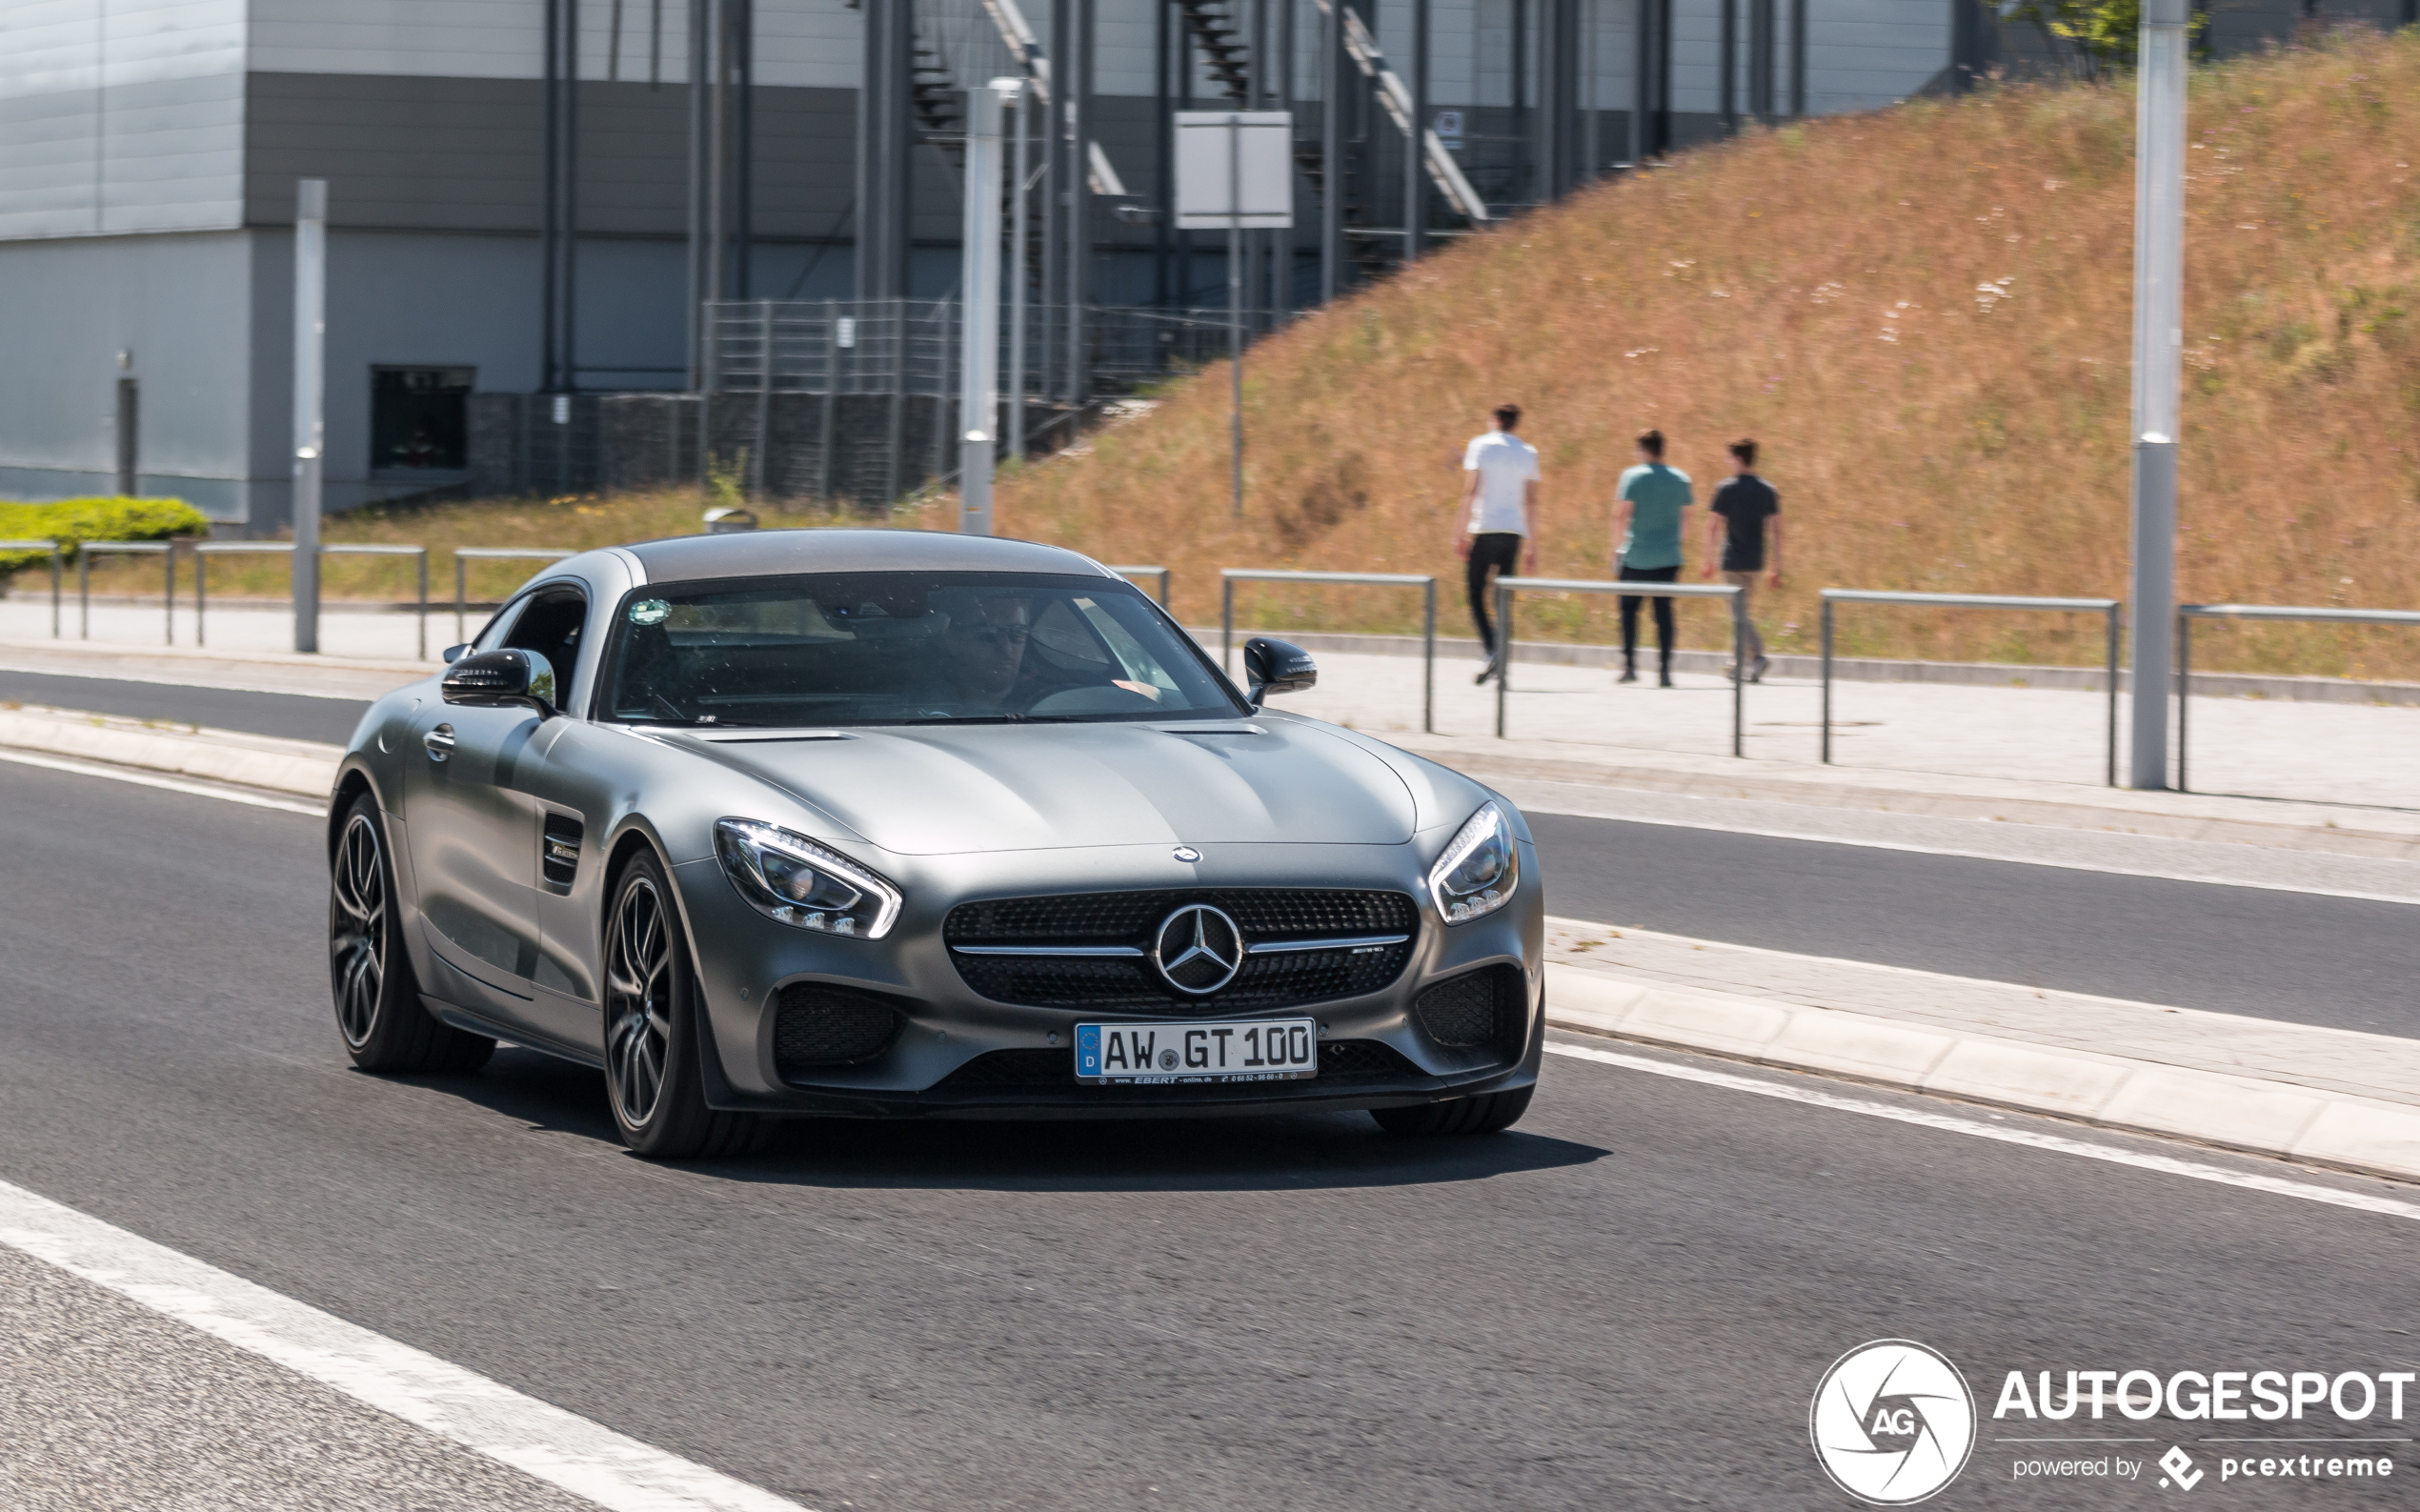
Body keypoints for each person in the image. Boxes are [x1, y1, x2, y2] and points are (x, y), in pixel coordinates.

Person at [1456, 403, 1541, 684]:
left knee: (1475, 593)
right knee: (1503, 600)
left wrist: (1460, 532)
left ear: (1494, 420)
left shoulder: (1480, 445)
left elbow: (1471, 491)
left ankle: (1492, 650)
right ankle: (1501, 663)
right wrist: (1532, 545)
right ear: (1516, 424)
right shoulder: (1528, 452)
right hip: (1513, 533)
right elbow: (1531, 501)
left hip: (1484, 529)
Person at [1612, 429, 1691, 687]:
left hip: (1636, 555)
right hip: (1669, 556)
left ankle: (1630, 666)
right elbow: (1686, 518)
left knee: (1628, 611)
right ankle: (1665, 670)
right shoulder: (1681, 479)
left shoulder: (1632, 477)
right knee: (1664, 613)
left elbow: (1622, 515)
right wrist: (1676, 541)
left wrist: (1616, 549)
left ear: (1644, 450)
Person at [1703, 437, 1784, 682]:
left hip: (1732, 560)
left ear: (1738, 459)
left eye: (1729, 457)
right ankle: (1736, 664)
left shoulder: (1726, 488)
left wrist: (1707, 559)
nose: (1727, 462)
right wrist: (1776, 566)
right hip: (1755, 561)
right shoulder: (1767, 490)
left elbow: (1713, 526)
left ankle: (1757, 657)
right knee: (1741, 613)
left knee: (1739, 615)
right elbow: (1776, 529)